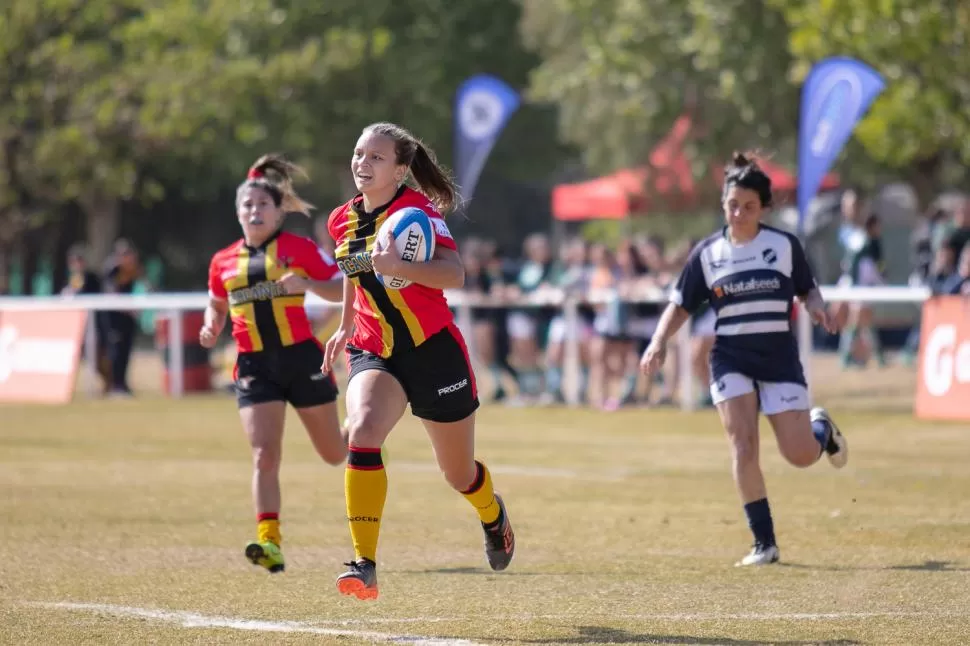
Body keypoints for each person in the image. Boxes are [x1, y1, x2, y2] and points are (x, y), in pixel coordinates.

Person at [323, 121, 515, 601]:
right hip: (373, 347)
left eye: (376, 158)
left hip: (432, 350)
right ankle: (363, 563)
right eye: (358, 154)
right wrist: (346, 324)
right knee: (362, 430)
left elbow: (455, 273)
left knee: (458, 473)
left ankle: (493, 514)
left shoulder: (419, 212)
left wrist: (402, 268)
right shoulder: (340, 219)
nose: (362, 164)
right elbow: (352, 269)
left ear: (401, 169)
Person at [639, 152, 849, 567]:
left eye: (749, 206)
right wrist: (658, 341)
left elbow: (809, 290)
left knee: (800, 456)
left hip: (778, 357)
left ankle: (821, 428)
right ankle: (764, 543)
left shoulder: (784, 246)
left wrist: (818, 307)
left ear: (764, 208)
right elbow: (680, 304)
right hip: (730, 357)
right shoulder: (708, 253)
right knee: (743, 446)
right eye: (733, 205)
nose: (739, 213)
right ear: (724, 204)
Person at [199, 154, 347, 574]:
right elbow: (216, 304)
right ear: (237, 212)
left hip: (302, 358)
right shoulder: (223, 261)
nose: (254, 212)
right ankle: (270, 543)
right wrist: (212, 326)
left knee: (335, 455)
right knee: (264, 455)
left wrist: (309, 283)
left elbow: (342, 290)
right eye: (247, 206)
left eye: (263, 205)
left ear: (279, 211)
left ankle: (359, 435)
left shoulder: (299, 250)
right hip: (254, 367)